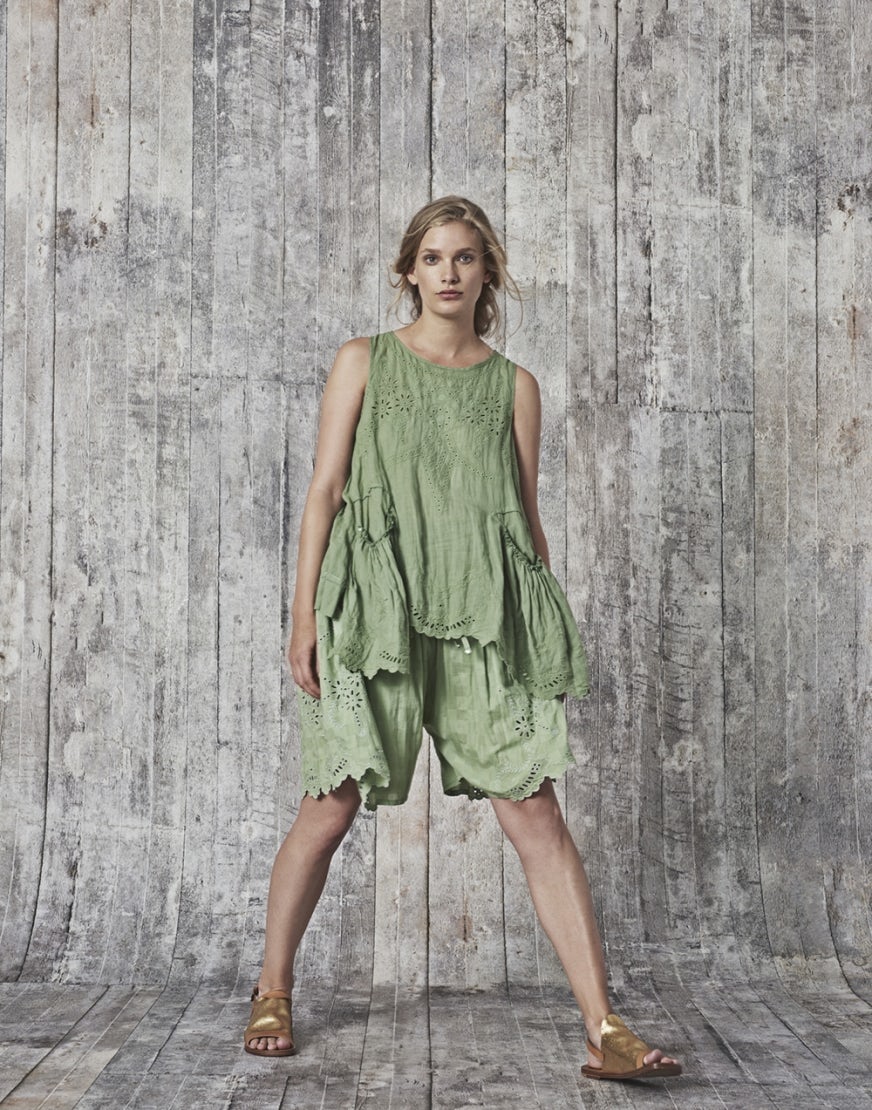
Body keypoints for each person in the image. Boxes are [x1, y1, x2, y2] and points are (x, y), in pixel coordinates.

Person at [243, 196, 682, 1082]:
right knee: (330, 804)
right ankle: (273, 987)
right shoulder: (363, 361)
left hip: (483, 618)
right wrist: (303, 619)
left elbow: (524, 517)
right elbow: (324, 492)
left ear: (488, 272)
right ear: (409, 271)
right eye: (433, 257)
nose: (449, 272)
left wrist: (541, 630)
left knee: (536, 808)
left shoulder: (514, 386)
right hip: (374, 608)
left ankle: (603, 1026)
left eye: (466, 257)